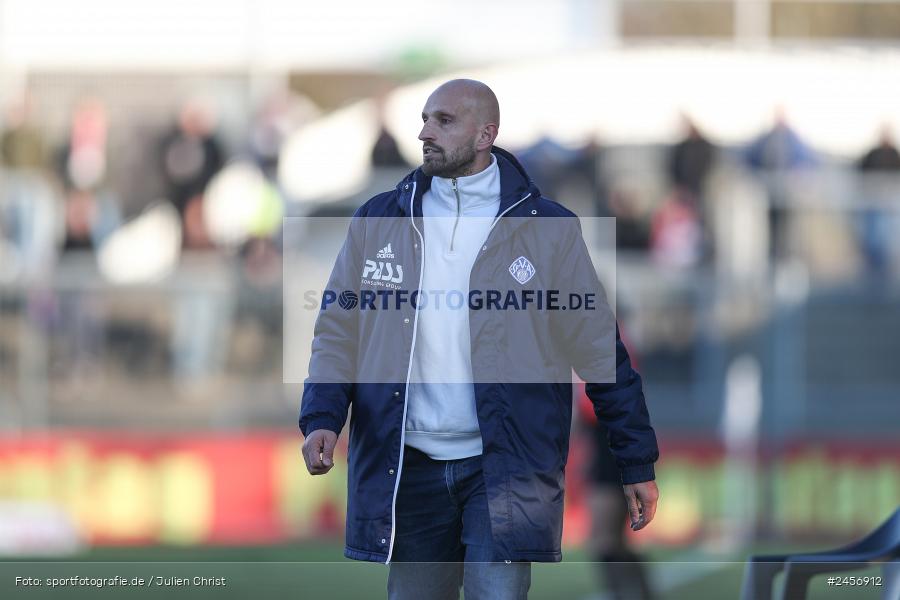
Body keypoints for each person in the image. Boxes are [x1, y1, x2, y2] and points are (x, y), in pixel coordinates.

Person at [299, 79, 660, 600]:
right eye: (425, 119)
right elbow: (338, 330)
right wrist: (322, 416)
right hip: (410, 468)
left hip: (505, 469)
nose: (425, 131)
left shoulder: (549, 229)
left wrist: (635, 462)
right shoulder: (378, 220)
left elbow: (601, 350)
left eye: (444, 120)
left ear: (487, 133)